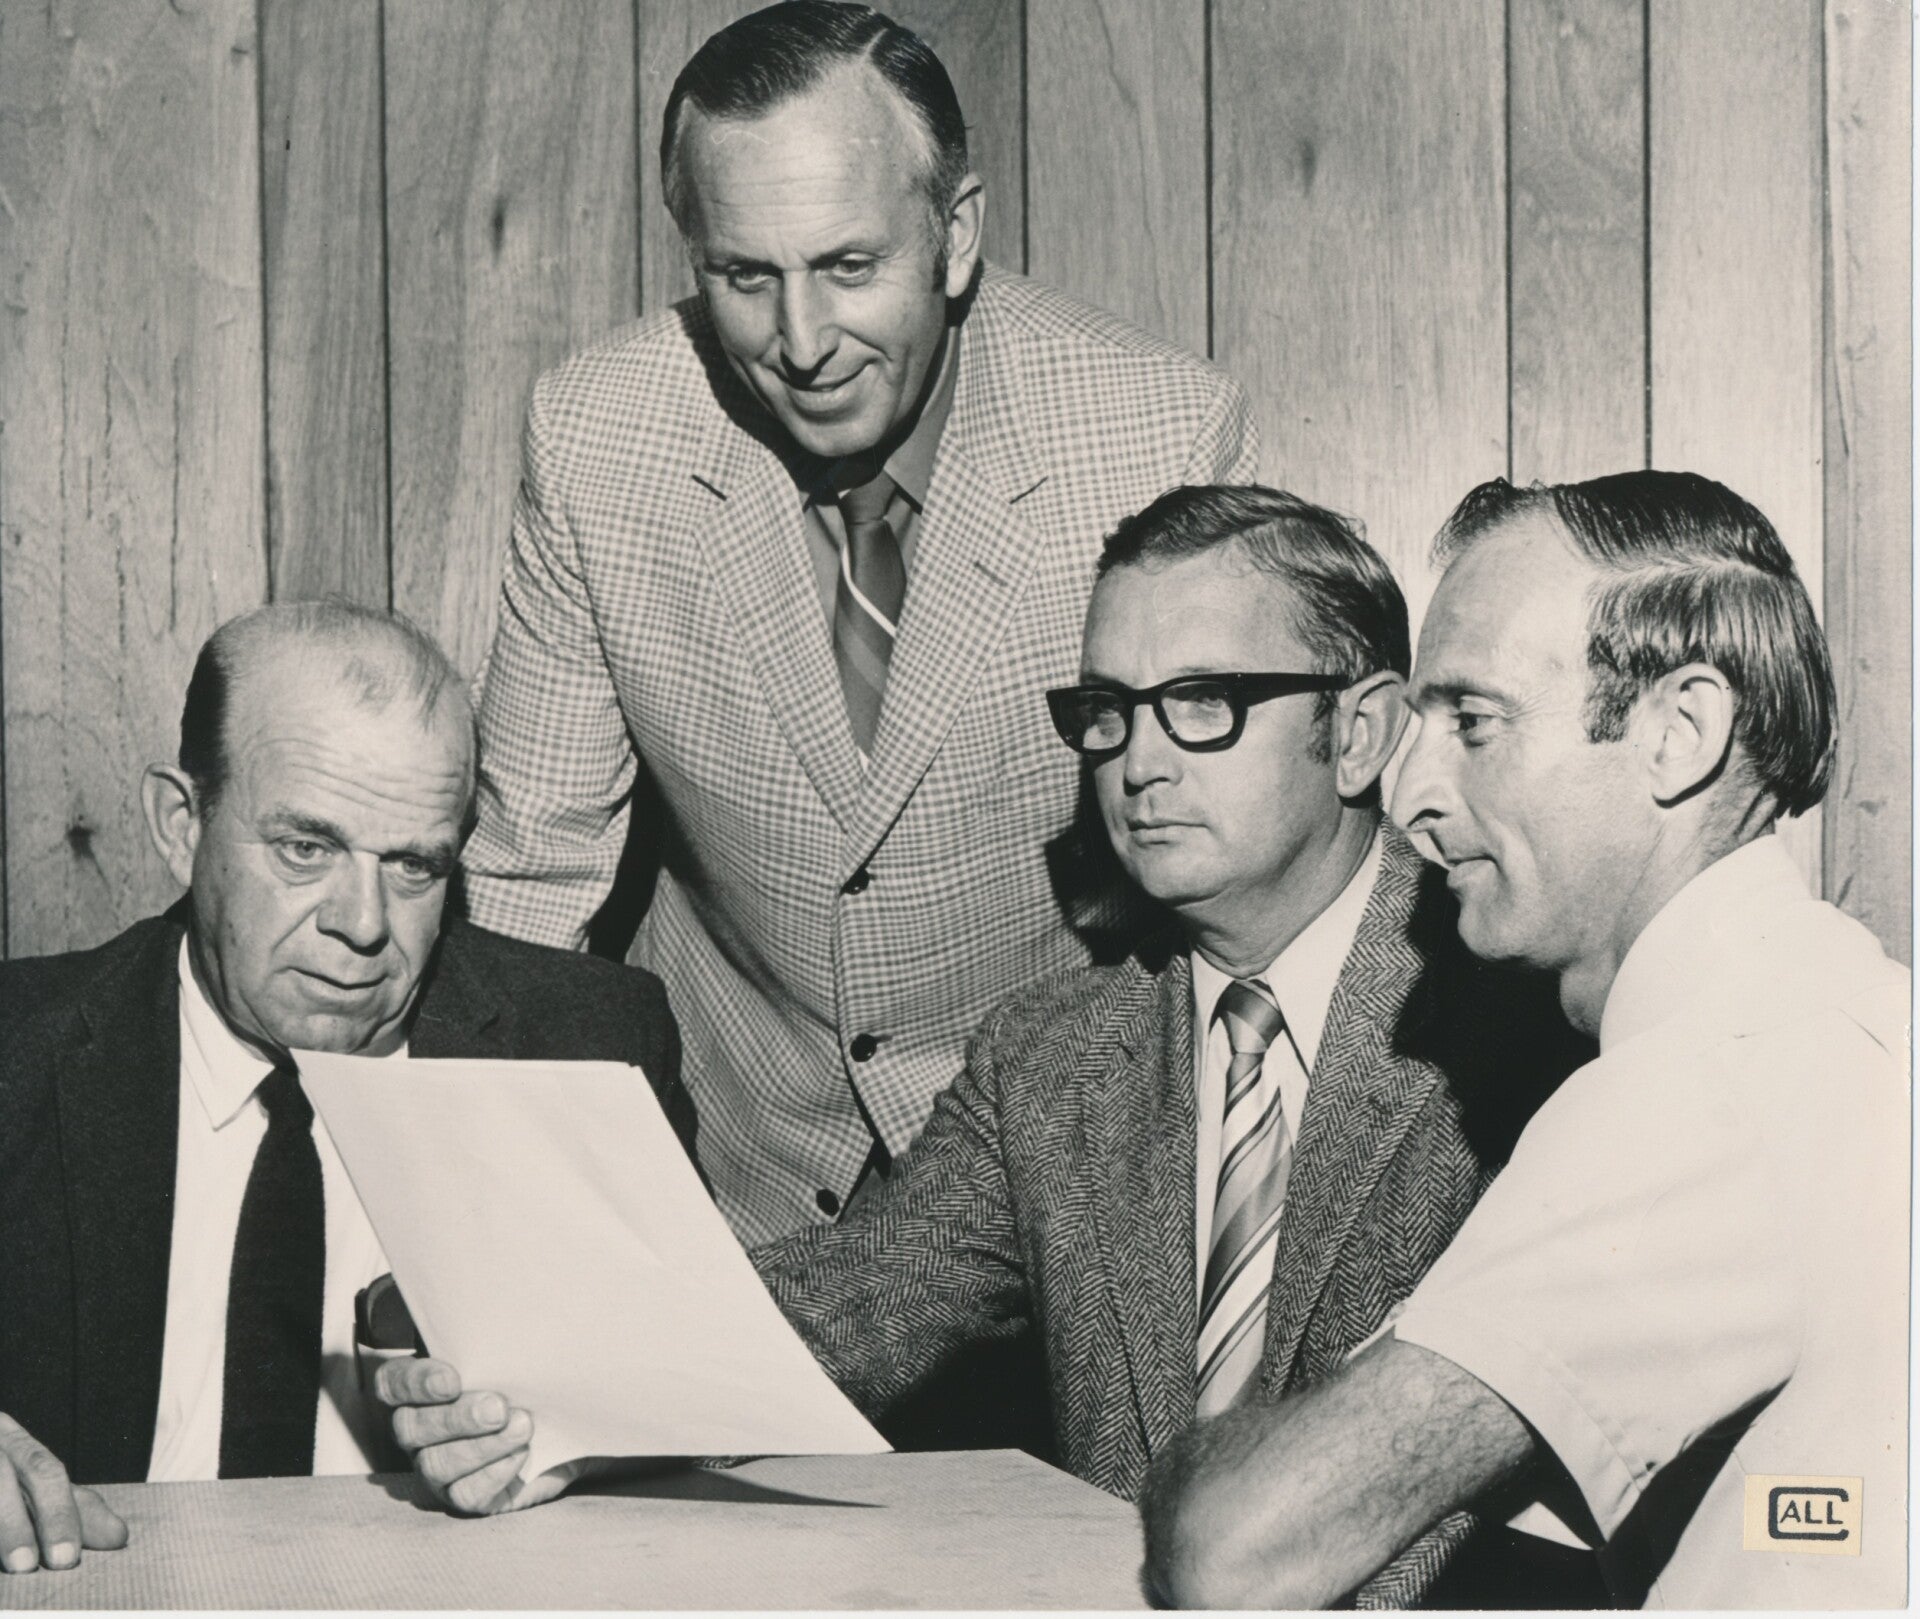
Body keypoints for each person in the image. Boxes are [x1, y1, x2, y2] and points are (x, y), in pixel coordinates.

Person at [384, 486, 1587, 1603]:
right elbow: (839, 1309)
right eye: (1108, 711)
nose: (1139, 762)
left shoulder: (1539, 1015)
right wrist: (543, 1391)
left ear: (1363, 731)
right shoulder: (1051, 1057)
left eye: (1202, 702)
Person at [460, 0, 1259, 1246]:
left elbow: (1245, 885)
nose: (802, 343)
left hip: (1073, 1185)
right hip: (731, 1179)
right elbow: (530, 877)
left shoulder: (1155, 439)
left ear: (955, 235)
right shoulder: (599, 437)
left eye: (848, 267)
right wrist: (487, 1226)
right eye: (745, 276)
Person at [1140, 471, 1910, 1609]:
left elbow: (1235, 1545)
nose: (1410, 794)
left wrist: (1195, 1466)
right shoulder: (1838, 1010)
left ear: (1680, 733)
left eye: (1474, 722)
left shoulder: (1703, 1087)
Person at [0, 602, 690, 1574]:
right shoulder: (19, 1055)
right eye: (306, 848)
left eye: (413, 864)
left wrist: (595, 1440)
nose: (363, 923)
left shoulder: (589, 1050)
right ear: (181, 825)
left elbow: (699, 1394)